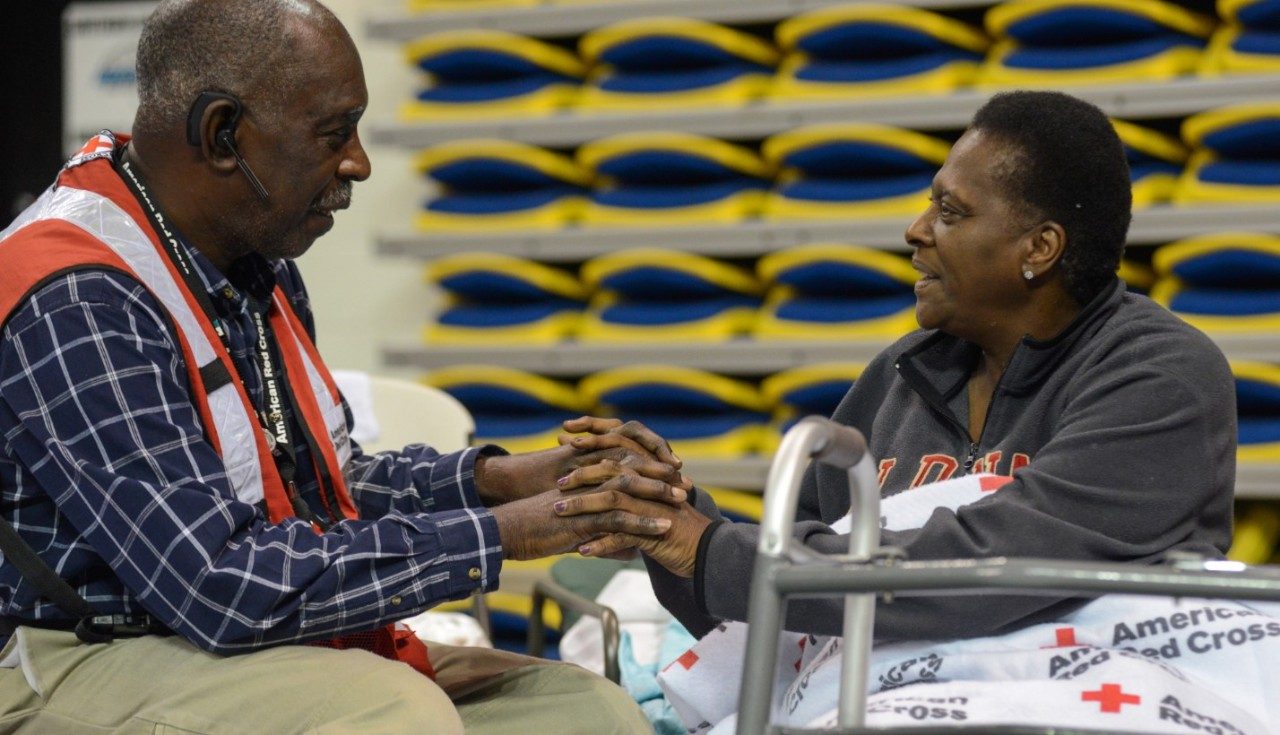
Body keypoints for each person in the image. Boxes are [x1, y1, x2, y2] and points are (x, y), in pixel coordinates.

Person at [0, 1, 688, 733]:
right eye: (334, 133)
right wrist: (510, 532)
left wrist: (507, 480)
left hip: (222, 644)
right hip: (75, 656)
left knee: (587, 714)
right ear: (222, 133)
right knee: (396, 715)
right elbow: (220, 583)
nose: (358, 161)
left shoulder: (252, 262)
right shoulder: (76, 294)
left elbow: (326, 489)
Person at [556, 90, 1237, 642]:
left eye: (950, 211)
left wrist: (707, 549)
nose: (916, 230)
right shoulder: (902, 376)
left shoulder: (1162, 378)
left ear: (1040, 247)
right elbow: (780, 599)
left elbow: (987, 567)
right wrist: (665, 514)